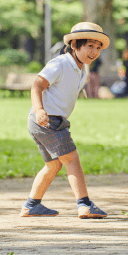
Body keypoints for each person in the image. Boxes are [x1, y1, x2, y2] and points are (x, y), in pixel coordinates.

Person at [20, 22, 108, 219]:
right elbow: (37, 85)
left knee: (54, 164)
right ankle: (84, 204)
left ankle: (31, 205)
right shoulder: (60, 63)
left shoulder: (79, 69)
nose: (94, 51)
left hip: (52, 120)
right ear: (75, 45)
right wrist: (40, 110)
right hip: (46, 119)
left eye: (98, 47)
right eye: (90, 46)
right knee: (72, 159)